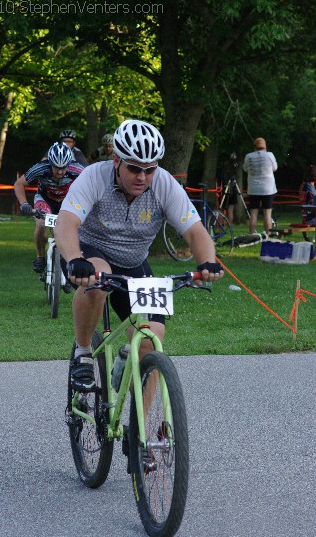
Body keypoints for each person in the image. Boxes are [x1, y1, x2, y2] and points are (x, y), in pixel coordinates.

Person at [54, 119, 224, 393]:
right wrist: (74, 258)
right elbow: (66, 223)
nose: (142, 177)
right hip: (89, 251)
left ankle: (138, 434)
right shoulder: (94, 177)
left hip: (134, 263)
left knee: (151, 338)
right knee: (97, 281)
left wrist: (207, 261)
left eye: (150, 169)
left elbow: (195, 232)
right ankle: (83, 352)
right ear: (116, 160)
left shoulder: (164, 185)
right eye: (134, 168)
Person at [14, 142, 84, 273]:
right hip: (45, 198)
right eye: (56, 167)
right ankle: (40, 256)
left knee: (73, 229)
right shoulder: (40, 168)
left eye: (63, 168)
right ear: (49, 163)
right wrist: (24, 203)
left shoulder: (78, 170)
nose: (59, 171)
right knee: (40, 224)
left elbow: (92, 187)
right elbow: (19, 184)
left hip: (67, 201)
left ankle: (71, 259)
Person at [243, 137, 278, 234]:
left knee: (253, 213)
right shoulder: (270, 155)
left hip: (253, 188)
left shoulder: (248, 156)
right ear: (265, 146)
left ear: (255, 146)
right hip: (268, 189)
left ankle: (252, 234)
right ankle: (268, 234)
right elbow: (275, 168)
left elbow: (245, 169)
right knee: (267, 214)